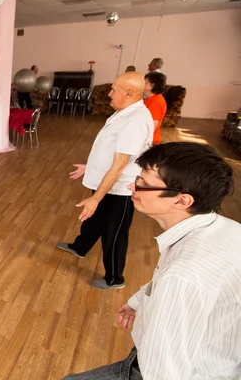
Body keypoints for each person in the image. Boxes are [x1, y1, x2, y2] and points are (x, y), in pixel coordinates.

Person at [64, 142, 239, 380]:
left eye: (143, 184)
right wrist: (140, 301)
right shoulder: (225, 229)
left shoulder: (182, 274)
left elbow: (163, 372)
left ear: (182, 200)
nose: (131, 186)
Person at [57, 72, 153, 290]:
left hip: (119, 190)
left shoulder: (135, 121)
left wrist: (96, 198)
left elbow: (120, 165)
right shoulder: (125, 113)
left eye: (113, 89)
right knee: (93, 220)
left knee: (114, 233)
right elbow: (111, 151)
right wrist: (90, 167)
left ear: (128, 92)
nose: (109, 94)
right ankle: (80, 247)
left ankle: (114, 278)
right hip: (106, 182)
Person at [143, 72, 167, 145]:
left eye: (145, 82)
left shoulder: (156, 102)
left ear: (152, 86)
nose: (142, 84)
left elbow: (151, 127)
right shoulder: (149, 99)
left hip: (150, 142)